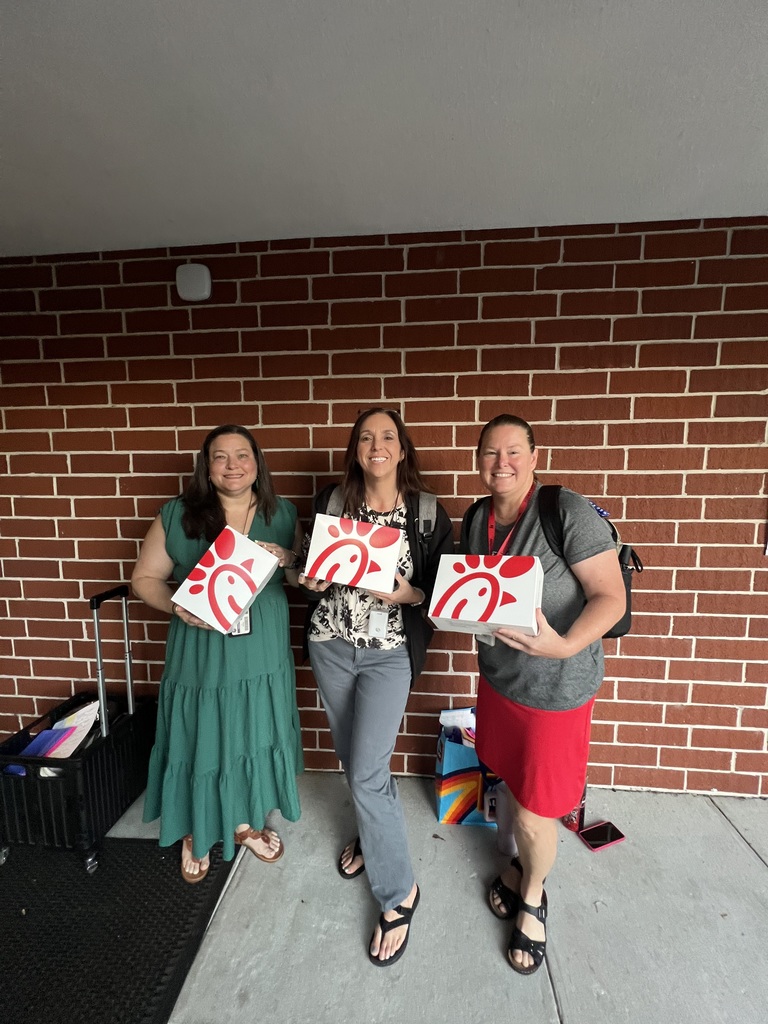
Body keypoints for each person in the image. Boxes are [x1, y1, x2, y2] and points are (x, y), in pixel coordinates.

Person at [460, 414, 625, 975]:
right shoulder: (477, 516)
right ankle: (515, 871)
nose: (500, 463)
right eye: (489, 452)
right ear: (477, 459)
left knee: (535, 814)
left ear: (534, 457)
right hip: (500, 683)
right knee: (507, 779)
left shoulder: (564, 512)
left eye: (512, 452)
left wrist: (564, 646)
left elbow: (611, 598)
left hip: (555, 691)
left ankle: (533, 898)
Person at [299, 407, 454, 966]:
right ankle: (373, 832)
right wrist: (308, 580)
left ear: (402, 449)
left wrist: (406, 595)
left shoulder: (428, 514)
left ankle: (399, 892)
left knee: (366, 769)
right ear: (355, 450)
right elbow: (310, 577)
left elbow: (442, 596)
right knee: (354, 760)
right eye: (365, 437)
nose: (376, 445)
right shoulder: (331, 503)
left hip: (389, 655)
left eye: (387, 436)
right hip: (331, 645)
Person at [131, 424, 304, 883]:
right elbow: (144, 579)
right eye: (221, 457)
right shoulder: (178, 514)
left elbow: (299, 580)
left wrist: (288, 558)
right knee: (203, 731)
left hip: (261, 650)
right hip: (202, 644)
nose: (232, 466)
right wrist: (178, 607)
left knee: (252, 727)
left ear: (257, 463)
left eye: (242, 455)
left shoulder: (282, 512)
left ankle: (243, 823)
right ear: (206, 467)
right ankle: (197, 828)